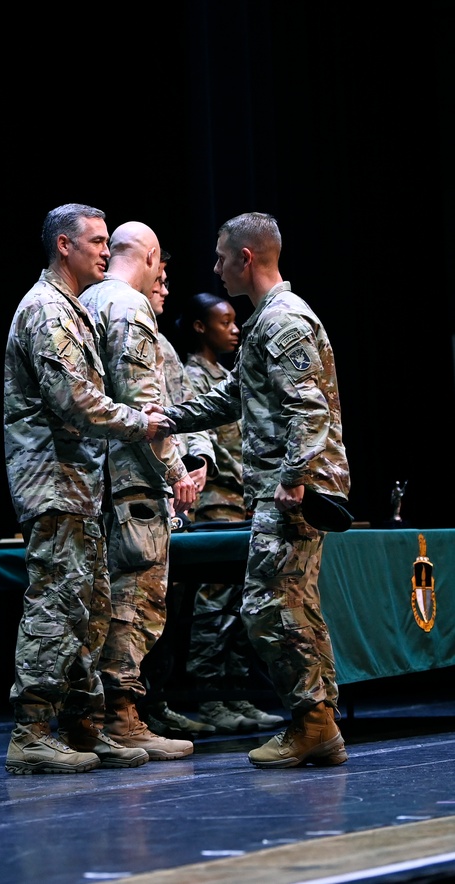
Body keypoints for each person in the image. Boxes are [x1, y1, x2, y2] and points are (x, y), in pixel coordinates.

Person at [158, 212, 349, 768]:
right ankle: (318, 722)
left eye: (220, 257)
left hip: (294, 491)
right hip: (282, 486)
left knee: (267, 607)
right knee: (295, 607)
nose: (215, 268)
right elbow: (228, 398)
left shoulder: (284, 320)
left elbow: (308, 409)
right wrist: (164, 420)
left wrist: (294, 478)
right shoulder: (266, 320)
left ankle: (313, 720)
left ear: (245, 257)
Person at [3, 203, 174, 775]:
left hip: (78, 485)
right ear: (63, 246)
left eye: (108, 242)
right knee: (55, 604)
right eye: (96, 242)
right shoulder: (47, 310)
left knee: (91, 607)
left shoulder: (73, 309)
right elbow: (74, 400)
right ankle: (31, 731)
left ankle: (82, 726)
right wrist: (140, 423)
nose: (106, 251)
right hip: (51, 482)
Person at [78, 222, 201, 760]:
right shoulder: (127, 308)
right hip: (131, 480)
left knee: (102, 605)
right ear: (151, 257)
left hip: (93, 477)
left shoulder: (83, 300)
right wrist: (176, 472)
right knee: (133, 604)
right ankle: (121, 718)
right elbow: (147, 410)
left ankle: (97, 718)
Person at [177, 291, 283, 734]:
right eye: (225, 322)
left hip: (242, 498)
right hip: (215, 501)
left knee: (242, 600)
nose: (235, 329)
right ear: (201, 326)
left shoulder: (226, 373)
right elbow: (199, 434)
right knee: (214, 602)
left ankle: (236, 691)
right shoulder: (191, 376)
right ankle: (212, 694)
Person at [133, 254, 219, 742]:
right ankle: (135, 705)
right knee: (142, 604)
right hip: (152, 488)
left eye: (168, 281)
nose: (164, 290)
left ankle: (158, 700)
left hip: (179, 490)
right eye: (158, 281)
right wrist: (173, 474)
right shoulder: (123, 328)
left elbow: (192, 409)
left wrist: (198, 461)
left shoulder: (163, 345)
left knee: (169, 605)